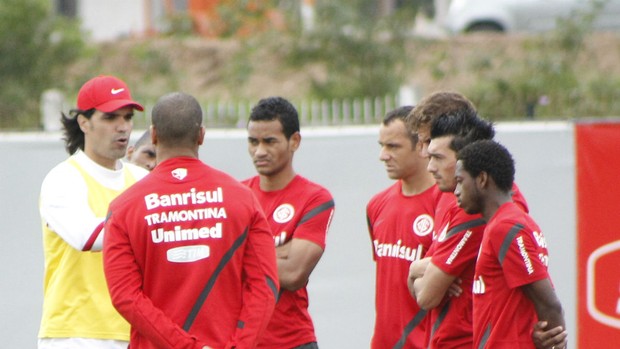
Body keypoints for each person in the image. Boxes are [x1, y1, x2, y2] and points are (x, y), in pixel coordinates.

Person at [103, 92, 279, 349]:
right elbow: (264, 286)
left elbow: (125, 296)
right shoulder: (243, 199)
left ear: (153, 135)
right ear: (201, 135)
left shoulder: (123, 208)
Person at [38, 75, 148, 349]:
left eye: (127, 117)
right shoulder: (63, 178)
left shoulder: (140, 179)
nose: (123, 127)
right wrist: (153, 223)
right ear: (84, 122)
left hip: (134, 331)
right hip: (75, 334)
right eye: (111, 118)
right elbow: (87, 237)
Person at [454, 140, 567, 349]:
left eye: (460, 181)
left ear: (482, 179)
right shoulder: (514, 222)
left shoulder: (505, 227)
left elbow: (549, 304)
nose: (456, 191)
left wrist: (554, 344)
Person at [243, 97, 335, 349]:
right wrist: (281, 251)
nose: (259, 151)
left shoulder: (315, 198)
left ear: (294, 141)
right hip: (241, 341)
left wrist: (241, 253)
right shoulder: (236, 196)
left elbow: (294, 273)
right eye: (253, 142)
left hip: (292, 341)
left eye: (269, 141)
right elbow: (215, 264)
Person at [366, 106, 442, 348]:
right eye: (382, 146)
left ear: (421, 146)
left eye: (393, 147)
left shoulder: (446, 204)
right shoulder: (376, 205)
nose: (383, 155)